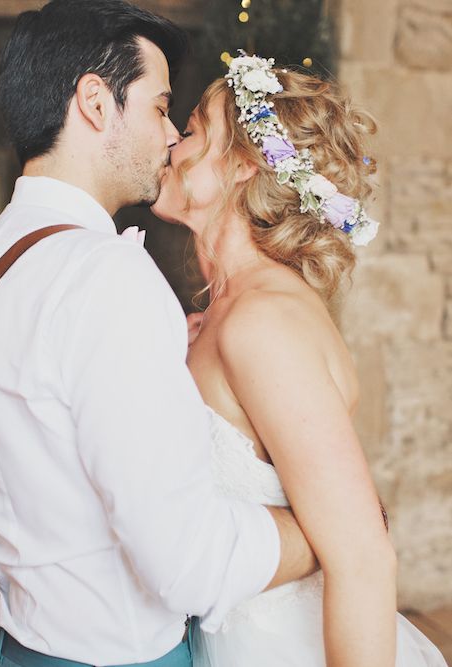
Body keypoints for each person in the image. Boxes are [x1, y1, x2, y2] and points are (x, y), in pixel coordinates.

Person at [0, 3, 317, 667]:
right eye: (159, 108)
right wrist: (314, 533)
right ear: (96, 103)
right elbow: (188, 564)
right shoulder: (107, 278)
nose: (167, 136)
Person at [151, 55, 447, 666]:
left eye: (194, 129)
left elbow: (364, 556)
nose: (173, 145)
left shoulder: (264, 321)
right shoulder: (230, 311)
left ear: (243, 164)